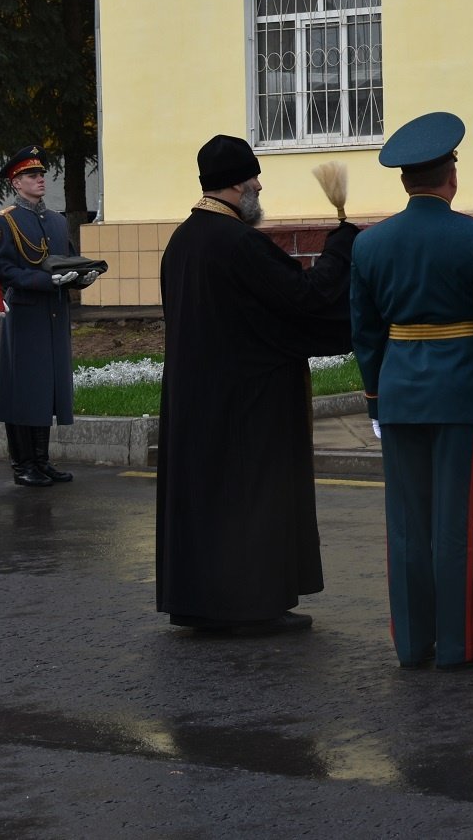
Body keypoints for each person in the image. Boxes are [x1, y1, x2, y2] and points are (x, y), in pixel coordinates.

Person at [350, 112, 473, 670]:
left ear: (406, 180)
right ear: (449, 176)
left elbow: (365, 334)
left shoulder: (370, 245)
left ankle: (412, 644)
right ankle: (459, 645)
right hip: (459, 396)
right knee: (454, 526)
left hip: (401, 394)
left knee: (407, 527)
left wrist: (375, 401)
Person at [156, 134, 357, 636]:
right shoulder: (238, 242)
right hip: (248, 402)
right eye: (255, 178)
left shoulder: (183, 239)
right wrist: (340, 250)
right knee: (252, 496)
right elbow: (304, 300)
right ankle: (252, 605)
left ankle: (198, 602)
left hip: (195, 400)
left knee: (207, 500)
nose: (260, 185)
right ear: (236, 184)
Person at [0, 145, 80, 487]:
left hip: (55, 312)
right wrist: (44, 280)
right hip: (25, 312)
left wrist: (82, 273)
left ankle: (41, 460)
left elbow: (68, 258)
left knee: (47, 388)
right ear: (16, 183)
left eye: (41, 174)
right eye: (31, 175)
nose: (39, 179)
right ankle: (22, 463)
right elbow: (3, 270)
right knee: (23, 388)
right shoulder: (4, 221)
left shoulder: (55, 219)